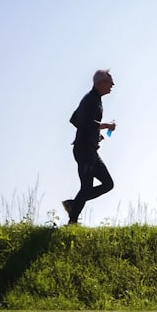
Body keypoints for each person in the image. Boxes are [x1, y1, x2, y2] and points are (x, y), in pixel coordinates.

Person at [62, 69, 117, 224]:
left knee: (107, 184)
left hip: (89, 149)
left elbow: (76, 120)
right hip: (83, 149)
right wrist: (106, 126)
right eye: (110, 82)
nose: (113, 85)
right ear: (100, 83)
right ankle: (72, 220)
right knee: (86, 187)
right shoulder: (90, 99)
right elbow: (81, 121)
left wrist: (94, 134)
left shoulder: (95, 99)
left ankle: (73, 204)